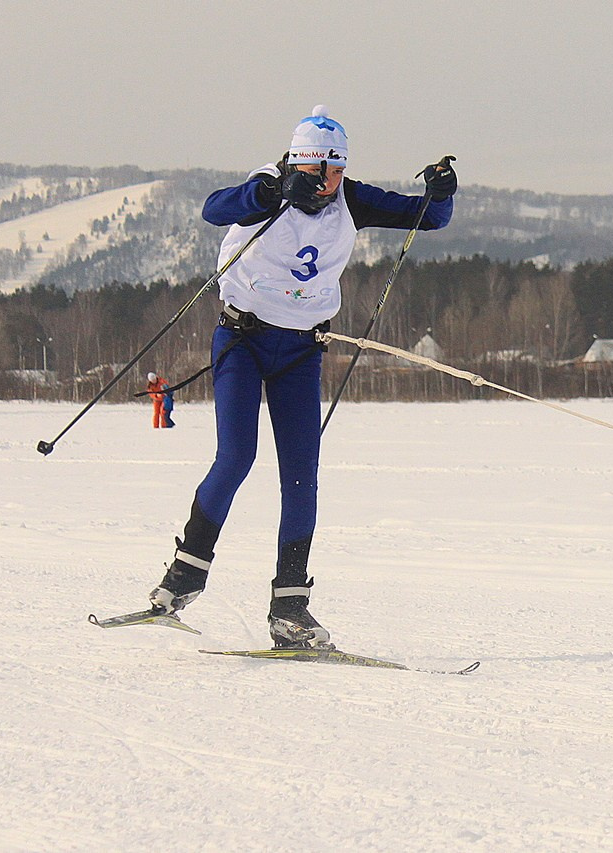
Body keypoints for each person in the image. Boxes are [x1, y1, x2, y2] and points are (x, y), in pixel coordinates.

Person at [147, 105, 456, 647]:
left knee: (300, 473)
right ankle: (184, 576)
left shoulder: (350, 199)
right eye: (325, 173)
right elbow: (213, 210)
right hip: (242, 341)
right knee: (236, 456)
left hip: (300, 352)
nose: (335, 183)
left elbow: (427, 218)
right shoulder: (266, 189)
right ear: (304, 165)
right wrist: (267, 195)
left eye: (340, 171)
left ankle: (290, 607)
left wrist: (442, 190)